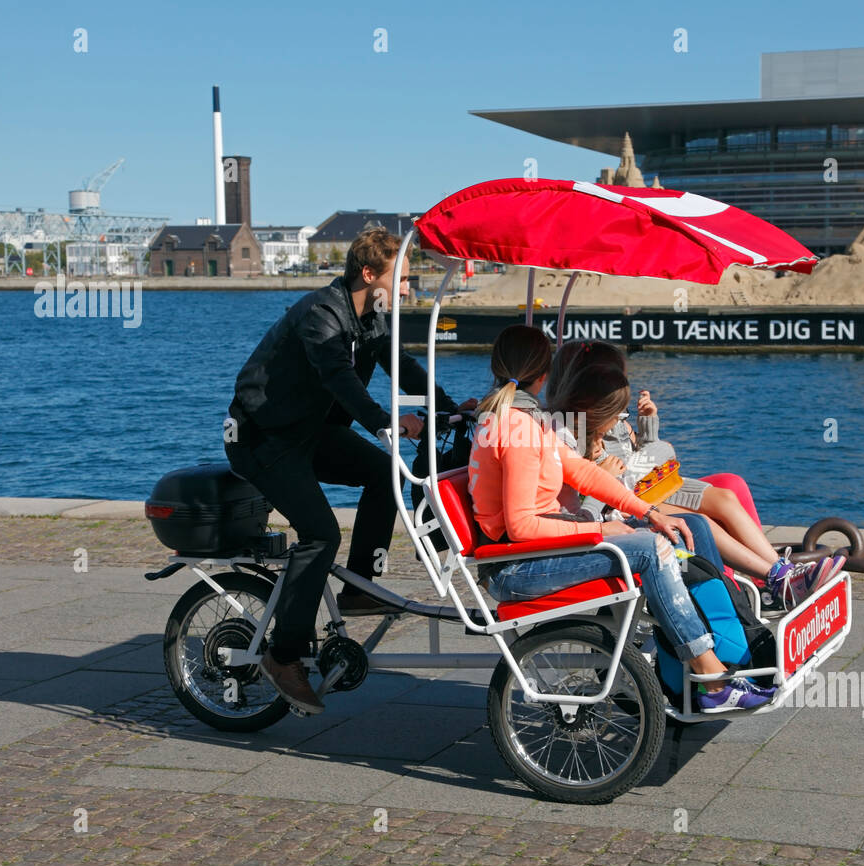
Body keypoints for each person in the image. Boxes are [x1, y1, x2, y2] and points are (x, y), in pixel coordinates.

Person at [225, 227, 476, 714]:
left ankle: (360, 587)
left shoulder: (374, 317)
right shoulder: (321, 315)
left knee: (386, 475)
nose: (407, 287)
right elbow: (338, 377)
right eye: (400, 278)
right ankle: (284, 654)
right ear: (369, 274)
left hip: (311, 431)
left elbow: (400, 366)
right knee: (320, 534)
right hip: (263, 438)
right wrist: (385, 420)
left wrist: (446, 408)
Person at [469, 325, 774, 712]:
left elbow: (581, 473)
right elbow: (521, 526)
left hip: (538, 549)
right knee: (650, 549)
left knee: (689, 525)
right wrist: (603, 528)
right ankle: (710, 676)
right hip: (516, 566)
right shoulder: (518, 429)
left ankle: (721, 642)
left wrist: (647, 512)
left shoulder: (521, 419)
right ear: (544, 375)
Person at [546, 341, 841, 608]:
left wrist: (648, 427)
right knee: (703, 523)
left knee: (725, 496)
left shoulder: (615, 420)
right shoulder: (571, 432)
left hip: (649, 486)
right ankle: (777, 582)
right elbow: (593, 491)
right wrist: (643, 457)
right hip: (623, 505)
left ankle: (780, 573)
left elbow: (647, 458)